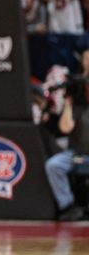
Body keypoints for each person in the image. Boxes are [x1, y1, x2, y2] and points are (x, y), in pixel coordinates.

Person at [45, 76, 89, 221]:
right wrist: (68, 104)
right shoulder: (77, 107)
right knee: (53, 165)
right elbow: (65, 128)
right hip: (77, 154)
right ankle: (68, 205)